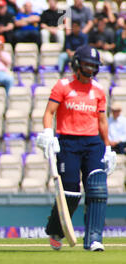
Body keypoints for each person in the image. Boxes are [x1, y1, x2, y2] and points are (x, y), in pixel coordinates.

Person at [36, 45, 117, 252]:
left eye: (94, 66)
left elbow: (101, 122)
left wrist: (107, 147)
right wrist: (48, 133)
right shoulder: (63, 86)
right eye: (87, 65)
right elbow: (49, 113)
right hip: (69, 142)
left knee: (98, 189)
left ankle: (94, 239)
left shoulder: (98, 90)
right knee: (70, 192)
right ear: (77, 65)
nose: (90, 70)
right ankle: (56, 229)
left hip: (93, 143)